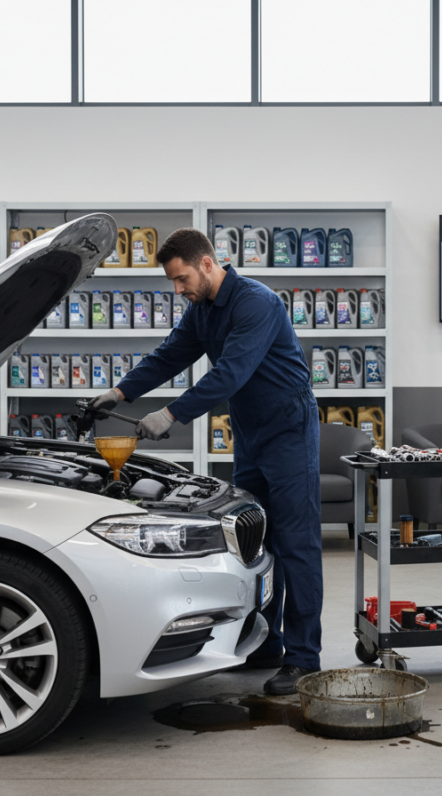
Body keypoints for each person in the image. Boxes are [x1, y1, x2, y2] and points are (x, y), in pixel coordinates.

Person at [89, 228, 322, 695]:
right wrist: (118, 393)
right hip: (251, 431)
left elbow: (231, 372)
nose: (178, 290)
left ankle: (304, 660)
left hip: (288, 428)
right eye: (173, 283)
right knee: (256, 540)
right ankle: (267, 644)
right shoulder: (201, 310)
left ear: (208, 264)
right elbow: (169, 356)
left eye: (182, 279)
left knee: (296, 542)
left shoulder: (256, 303)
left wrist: (171, 414)